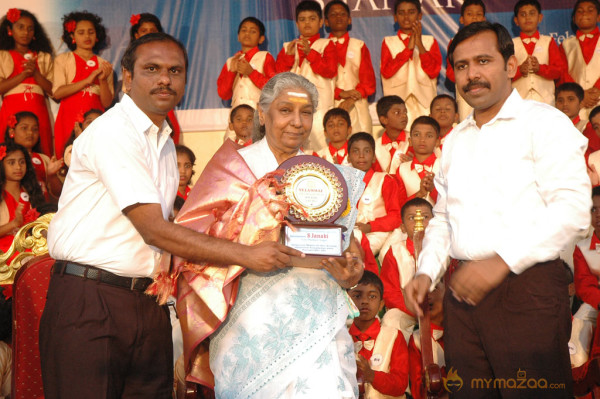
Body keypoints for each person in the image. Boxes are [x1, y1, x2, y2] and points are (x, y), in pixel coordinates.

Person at [40, 33, 302, 399]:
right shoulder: (114, 132)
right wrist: (247, 255)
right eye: (152, 69)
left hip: (147, 302)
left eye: (174, 71)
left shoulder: (162, 140)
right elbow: (154, 230)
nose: (165, 79)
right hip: (91, 300)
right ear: (127, 78)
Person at [405, 21, 590, 397]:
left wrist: (502, 261)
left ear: (510, 66)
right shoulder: (455, 139)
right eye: (461, 66)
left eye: (483, 61)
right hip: (463, 296)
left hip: (528, 290)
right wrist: (426, 272)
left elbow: (571, 210)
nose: (472, 74)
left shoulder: (544, 124)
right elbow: (442, 217)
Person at [170, 72, 364, 398]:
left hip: (316, 320)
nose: (297, 122)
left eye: (305, 113)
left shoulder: (324, 172)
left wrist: (351, 271)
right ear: (263, 113)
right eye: (285, 110)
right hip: (248, 323)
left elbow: (345, 243)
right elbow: (190, 241)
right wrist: (253, 246)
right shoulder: (233, 168)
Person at [276, 0, 337, 152]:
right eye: (302, 19)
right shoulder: (288, 47)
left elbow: (330, 71)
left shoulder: (327, 44)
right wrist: (289, 57)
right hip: (293, 108)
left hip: (320, 107)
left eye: (312, 19)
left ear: (321, 22)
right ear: (296, 23)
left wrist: (310, 53)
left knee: (322, 148)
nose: (307, 23)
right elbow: (277, 78)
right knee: (295, 149)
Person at [53, 11, 114, 158]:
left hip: (95, 121)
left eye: (91, 32)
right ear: (72, 37)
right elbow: (57, 93)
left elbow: (106, 102)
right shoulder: (63, 60)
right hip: (68, 118)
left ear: (97, 35)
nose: (87, 36)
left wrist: (103, 80)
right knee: (67, 159)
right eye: (81, 32)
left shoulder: (104, 65)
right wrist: (87, 81)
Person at [0, 8, 54, 156]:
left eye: (30, 29)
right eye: (20, 27)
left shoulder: (43, 58)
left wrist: (36, 74)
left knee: (41, 152)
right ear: (10, 30)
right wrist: (23, 75)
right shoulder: (3, 56)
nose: (26, 32)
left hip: (38, 111)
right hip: (11, 110)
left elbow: (55, 93)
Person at [348, 271, 409, 398]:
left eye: (372, 296)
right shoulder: (342, 338)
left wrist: (371, 375)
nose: (364, 301)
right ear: (347, 301)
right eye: (357, 296)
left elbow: (400, 384)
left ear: (381, 304)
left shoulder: (394, 336)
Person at [379, 198, 433, 340]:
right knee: (391, 320)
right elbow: (390, 292)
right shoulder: (395, 252)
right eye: (412, 218)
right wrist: (413, 309)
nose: (419, 222)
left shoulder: (444, 250)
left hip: (438, 311)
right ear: (402, 227)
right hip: (407, 309)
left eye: (425, 217)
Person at [381, 0, 441, 128]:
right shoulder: (388, 42)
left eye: (411, 12)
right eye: (402, 13)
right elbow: (386, 72)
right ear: (395, 18)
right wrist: (408, 49)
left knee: (425, 134)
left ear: (419, 16)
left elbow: (433, 71)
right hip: (398, 103)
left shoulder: (429, 41)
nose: (406, 17)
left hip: (425, 101)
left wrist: (419, 44)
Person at [349, 132, 403, 269]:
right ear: (349, 157)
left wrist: (370, 226)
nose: (361, 156)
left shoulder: (384, 180)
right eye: (356, 151)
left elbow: (395, 216)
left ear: (374, 157)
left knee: (355, 250)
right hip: (352, 231)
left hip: (377, 232)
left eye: (366, 151)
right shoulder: (343, 182)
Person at [128, 13, 181, 144]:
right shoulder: (130, 57)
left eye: (152, 30)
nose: (148, 34)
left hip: (163, 101)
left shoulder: (169, 55)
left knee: (169, 138)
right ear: (136, 35)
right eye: (144, 31)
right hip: (140, 105)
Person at [324, 0, 376, 134]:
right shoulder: (319, 47)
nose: (338, 17)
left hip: (357, 104)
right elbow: (318, 83)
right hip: (329, 105)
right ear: (326, 22)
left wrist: (350, 99)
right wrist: (340, 93)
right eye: (333, 15)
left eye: (342, 14)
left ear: (349, 20)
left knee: (361, 145)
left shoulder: (359, 46)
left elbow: (368, 82)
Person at [511, 0, 564, 107]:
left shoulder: (548, 41)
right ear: (516, 20)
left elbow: (558, 71)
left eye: (532, 13)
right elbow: (504, 74)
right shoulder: (511, 44)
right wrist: (519, 70)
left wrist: (540, 69)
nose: (527, 17)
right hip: (518, 101)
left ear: (540, 18)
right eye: (523, 14)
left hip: (546, 101)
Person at [217, 16, 275, 112]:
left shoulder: (265, 57)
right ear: (238, 36)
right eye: (244, 30)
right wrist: (231, 73)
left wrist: (251, 73)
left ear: (261, 38)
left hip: (259, 116)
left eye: (253, 31)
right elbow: (223, 94)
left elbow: (273, 89)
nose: (247, 34)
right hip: (237, 117)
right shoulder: (230, 61)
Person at [570, 186, 600, 371]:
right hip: (594, 304)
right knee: (579, 326)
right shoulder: (581, 247)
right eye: (594, 209)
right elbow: (583, 286)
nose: (598, 215)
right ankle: (579, 375)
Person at [4, 111, 63, 201]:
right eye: (24, 128)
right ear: (12, 132)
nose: (30, 133)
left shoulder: (44, 159)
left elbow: (59, 194)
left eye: (35, 129)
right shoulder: (3, 157)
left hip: (43, 212)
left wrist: (52, 176)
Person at [0, 142, 45, 253]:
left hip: (32, 249)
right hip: (4, 254)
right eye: (11, 163)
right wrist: (13, 224)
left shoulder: (32, 191)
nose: (18, 167)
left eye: (22, 162)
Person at [445, 0, 486, 121]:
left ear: (484, 19)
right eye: (469, 14)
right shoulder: (455, 42)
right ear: (461, 19)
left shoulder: (491, 41)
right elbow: (451, 74)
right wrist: (467, 77)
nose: (474, 17)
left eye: (478, 14)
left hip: (488, 91)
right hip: (465, 94)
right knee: (467, 126)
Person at [560, 0, 600, 120]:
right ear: (574, 18)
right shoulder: (566, 44)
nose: (584, 14)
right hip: (577, 103)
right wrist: (580, 94)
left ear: (598, 17)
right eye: (580, 11)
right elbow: (562, 72)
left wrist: (596, 90)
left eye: (590, 10)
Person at [407, 282, 445, 399]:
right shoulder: (417, 339)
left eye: (434, 289)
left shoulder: (462, 331)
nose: (427, 296)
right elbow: (417, 389)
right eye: (420, 293)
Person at [395, 116, 440, 204]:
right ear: (410, 141)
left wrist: (433, 190)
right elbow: (399, 204)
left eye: (429, 136)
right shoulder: (402, 169)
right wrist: (419, 194)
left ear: (437, 142)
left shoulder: (445, 166)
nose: (422, 139)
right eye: (417, 135)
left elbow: (454, 203)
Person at [373, 95, 411, 175]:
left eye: (405, 112)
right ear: (384, 120)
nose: (404, 115)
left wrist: (412, 164)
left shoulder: (413, 140)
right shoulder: (375, 146)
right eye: (397, 112)